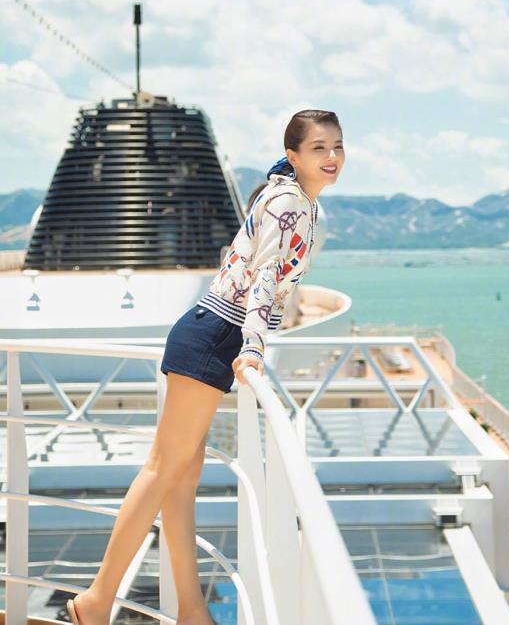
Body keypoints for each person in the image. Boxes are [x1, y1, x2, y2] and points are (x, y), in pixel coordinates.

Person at [67, 109, 345, 625]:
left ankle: (192, 609)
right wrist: (254, 348)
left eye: (337, 146)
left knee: (181, 477)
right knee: (161, 470)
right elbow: (265, 277)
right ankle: (96, 600)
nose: (331, 157)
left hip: (211, 331)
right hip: (216, 334)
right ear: (293, 155)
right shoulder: (290, 202)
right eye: (318, 148)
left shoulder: (292, 196)